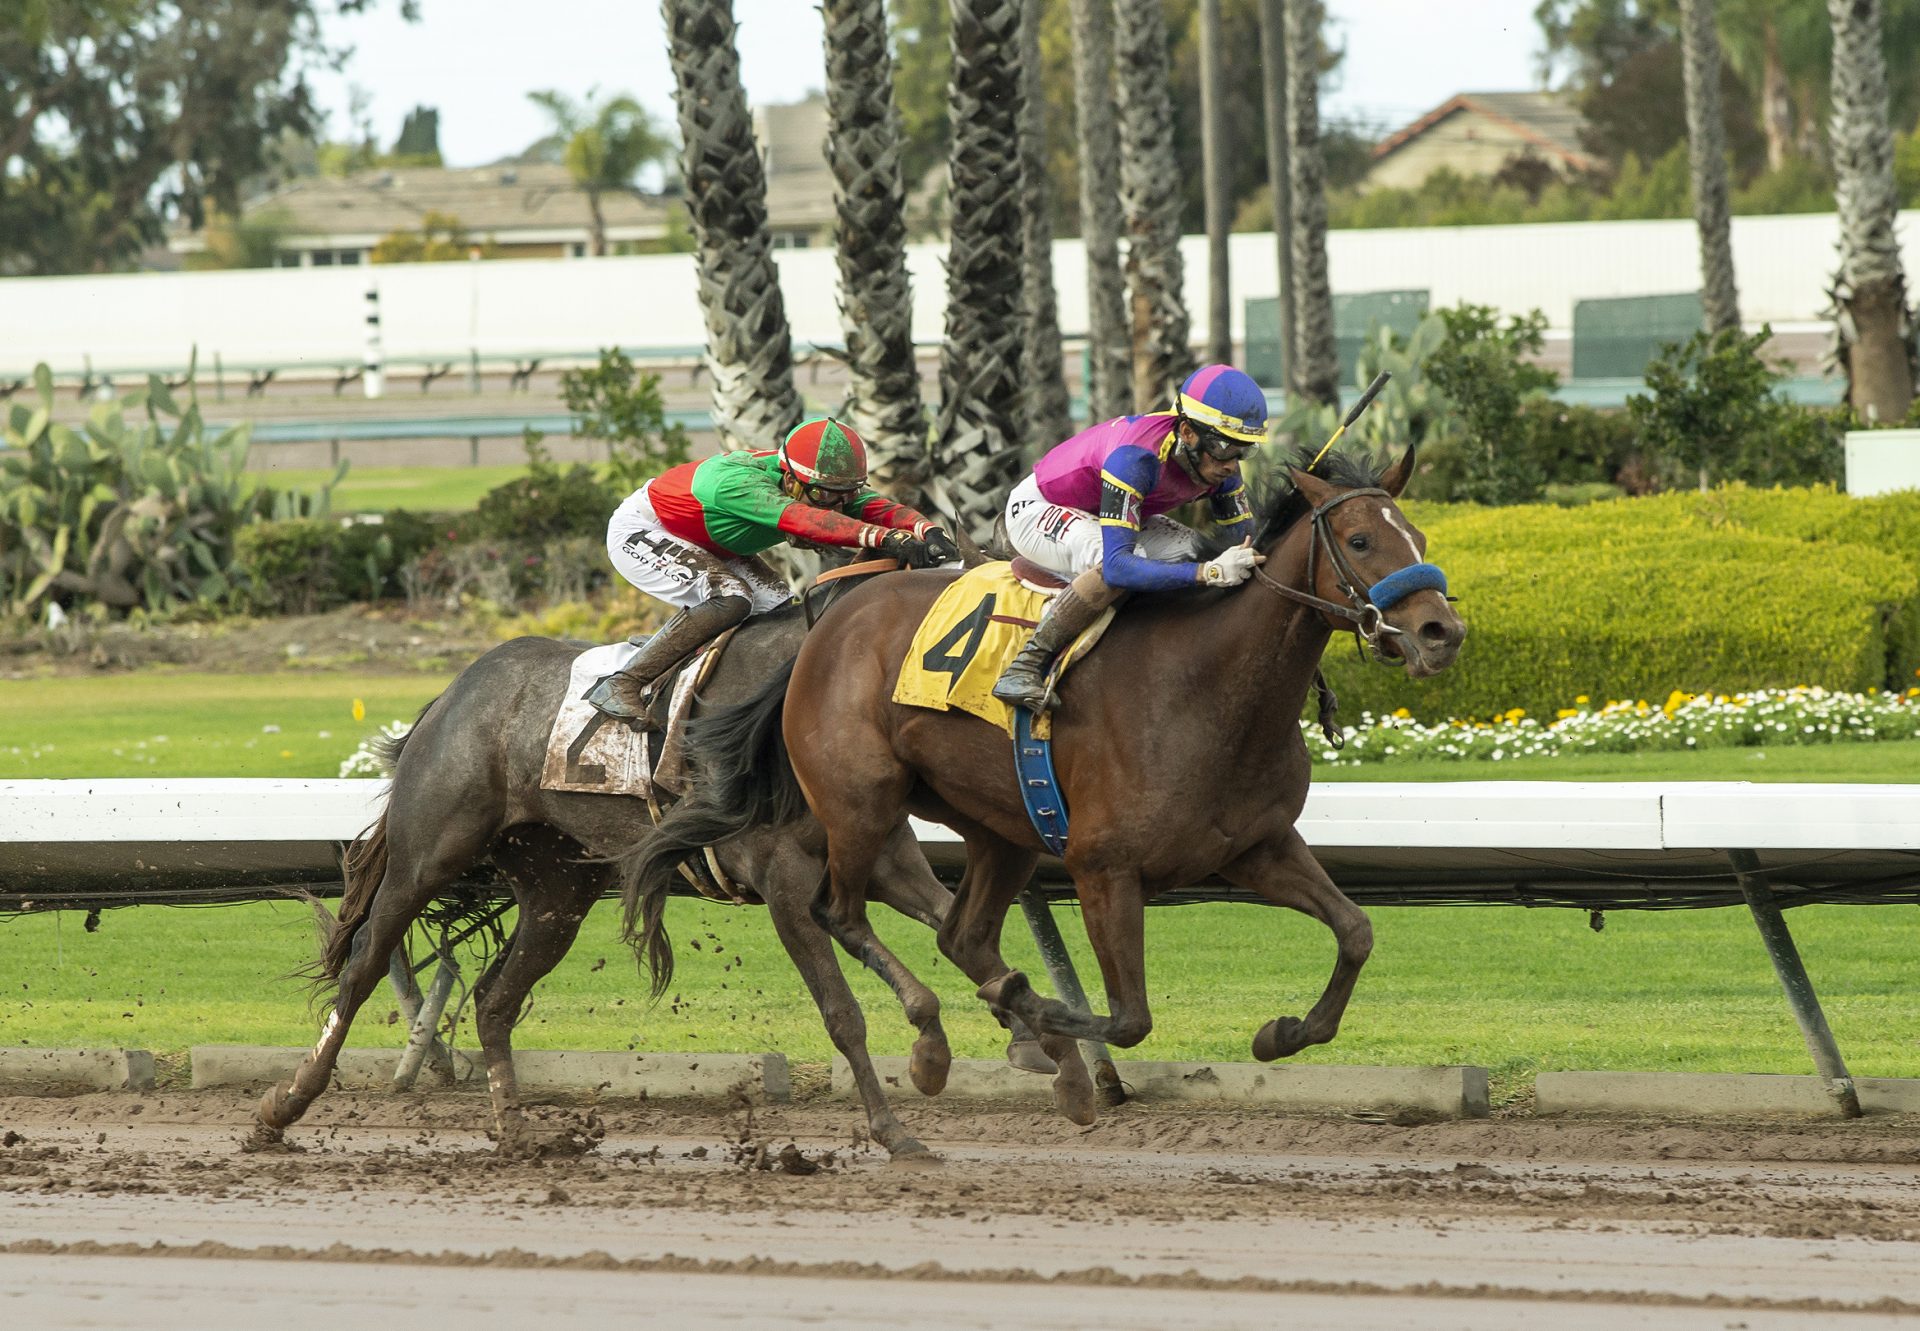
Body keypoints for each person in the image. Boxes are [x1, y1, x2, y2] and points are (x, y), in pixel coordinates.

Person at [587, 415, 958, 726]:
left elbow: (873, 505)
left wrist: (928, 530)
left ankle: (699, 661)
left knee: (779, 610)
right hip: (645, 530)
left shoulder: (808, 481)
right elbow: (806, 519)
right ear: (792, 478)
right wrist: (888, 540)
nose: (841, 504)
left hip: (711, 542)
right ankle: (623, 682)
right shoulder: (738, 484)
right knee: (732, 599)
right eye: (830, 494)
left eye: (846, 493)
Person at [991, 363, 1268, 714]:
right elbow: (1120, 567)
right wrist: (1208, 573)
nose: (1232, 464)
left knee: (1194, 550)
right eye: (1225, 448)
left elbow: (1247, 544)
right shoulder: (1136, 457)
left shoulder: (1220, 465)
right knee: (1125, 560)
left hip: (1110, 512)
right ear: (1187, 432)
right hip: (1039, 507)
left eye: (1245, 450)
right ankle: (1025, 665)